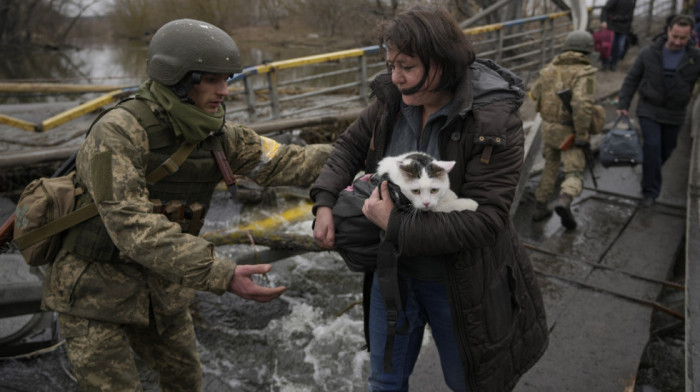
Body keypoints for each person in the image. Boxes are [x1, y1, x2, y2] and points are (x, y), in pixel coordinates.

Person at [41, 19, 331, 391]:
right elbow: (131, 226)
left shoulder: (217, 135)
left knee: (186, 383)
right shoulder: (118, 132)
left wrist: (367, 155)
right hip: (93, 294)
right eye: (212, 80)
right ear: (179, 79)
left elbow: (289, 161)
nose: (225, 91)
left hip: (163, 290)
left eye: (227, 79)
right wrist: (221, 273)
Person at [310, 5, 548, 391]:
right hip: (394, 274)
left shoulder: (492, 121)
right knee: (384, 382)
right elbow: (348, 147)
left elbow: (487, 219)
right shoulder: (392, 102)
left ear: (443, 62)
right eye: (390, 64)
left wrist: (396, 223)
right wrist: (323, 202)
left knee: (468, 381)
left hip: (461, 282)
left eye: (407, 66)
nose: (395, 77)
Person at [617, 14, 700, 206]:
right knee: (652, 147)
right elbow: (632, 78)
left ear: (690, 36)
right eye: (675, 36)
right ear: (668, 31)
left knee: (666, 150)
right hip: (649, 109)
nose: (678, 42)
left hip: (675, 112)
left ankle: (649, 172)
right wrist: (623, 104)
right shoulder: (649, 52)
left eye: (683, 38)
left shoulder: (695, 58)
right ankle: (650, 193)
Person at [529, 30, 597, 230]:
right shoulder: (585, 73)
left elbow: (533, 96)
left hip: (548, 129)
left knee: (550, 167)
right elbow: (583, 105)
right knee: (574, 170)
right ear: (587, 51)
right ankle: (564, 200)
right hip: (570, 131)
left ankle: (540, 207)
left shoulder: (548, 70)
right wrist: (583, 135)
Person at [601, 0, 636, 71]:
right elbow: (605, 9)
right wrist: (604, 21)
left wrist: (628, 28)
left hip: (623, 28)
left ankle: (613, 64)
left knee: (620, 48)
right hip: (612, 26)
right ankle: (604, 64)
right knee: (608, 46)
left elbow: (630, 15)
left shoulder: (631, 2)